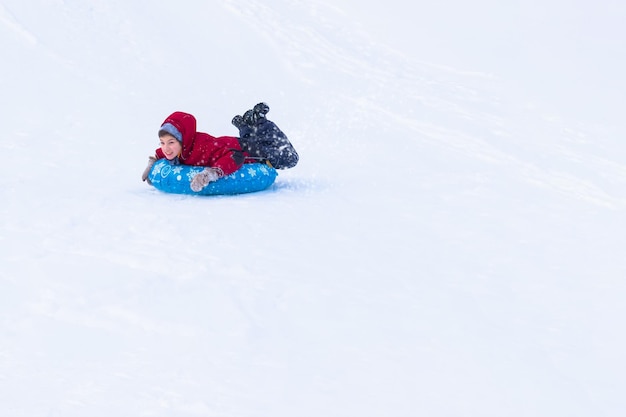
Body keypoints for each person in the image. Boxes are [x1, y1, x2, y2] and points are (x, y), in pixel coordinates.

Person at [142, 103, 298, 192]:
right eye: (162, 142)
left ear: (184, 140)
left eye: (171, 142)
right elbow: (162, 154)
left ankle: (261, 122)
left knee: (289, 158)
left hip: (244, 150)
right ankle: (245, 125)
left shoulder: (201, 148)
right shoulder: (181, 147)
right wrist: (152, 164)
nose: (166, 149)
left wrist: (210, 174)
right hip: (231, 142)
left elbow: (236, 157)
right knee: (253, 140)